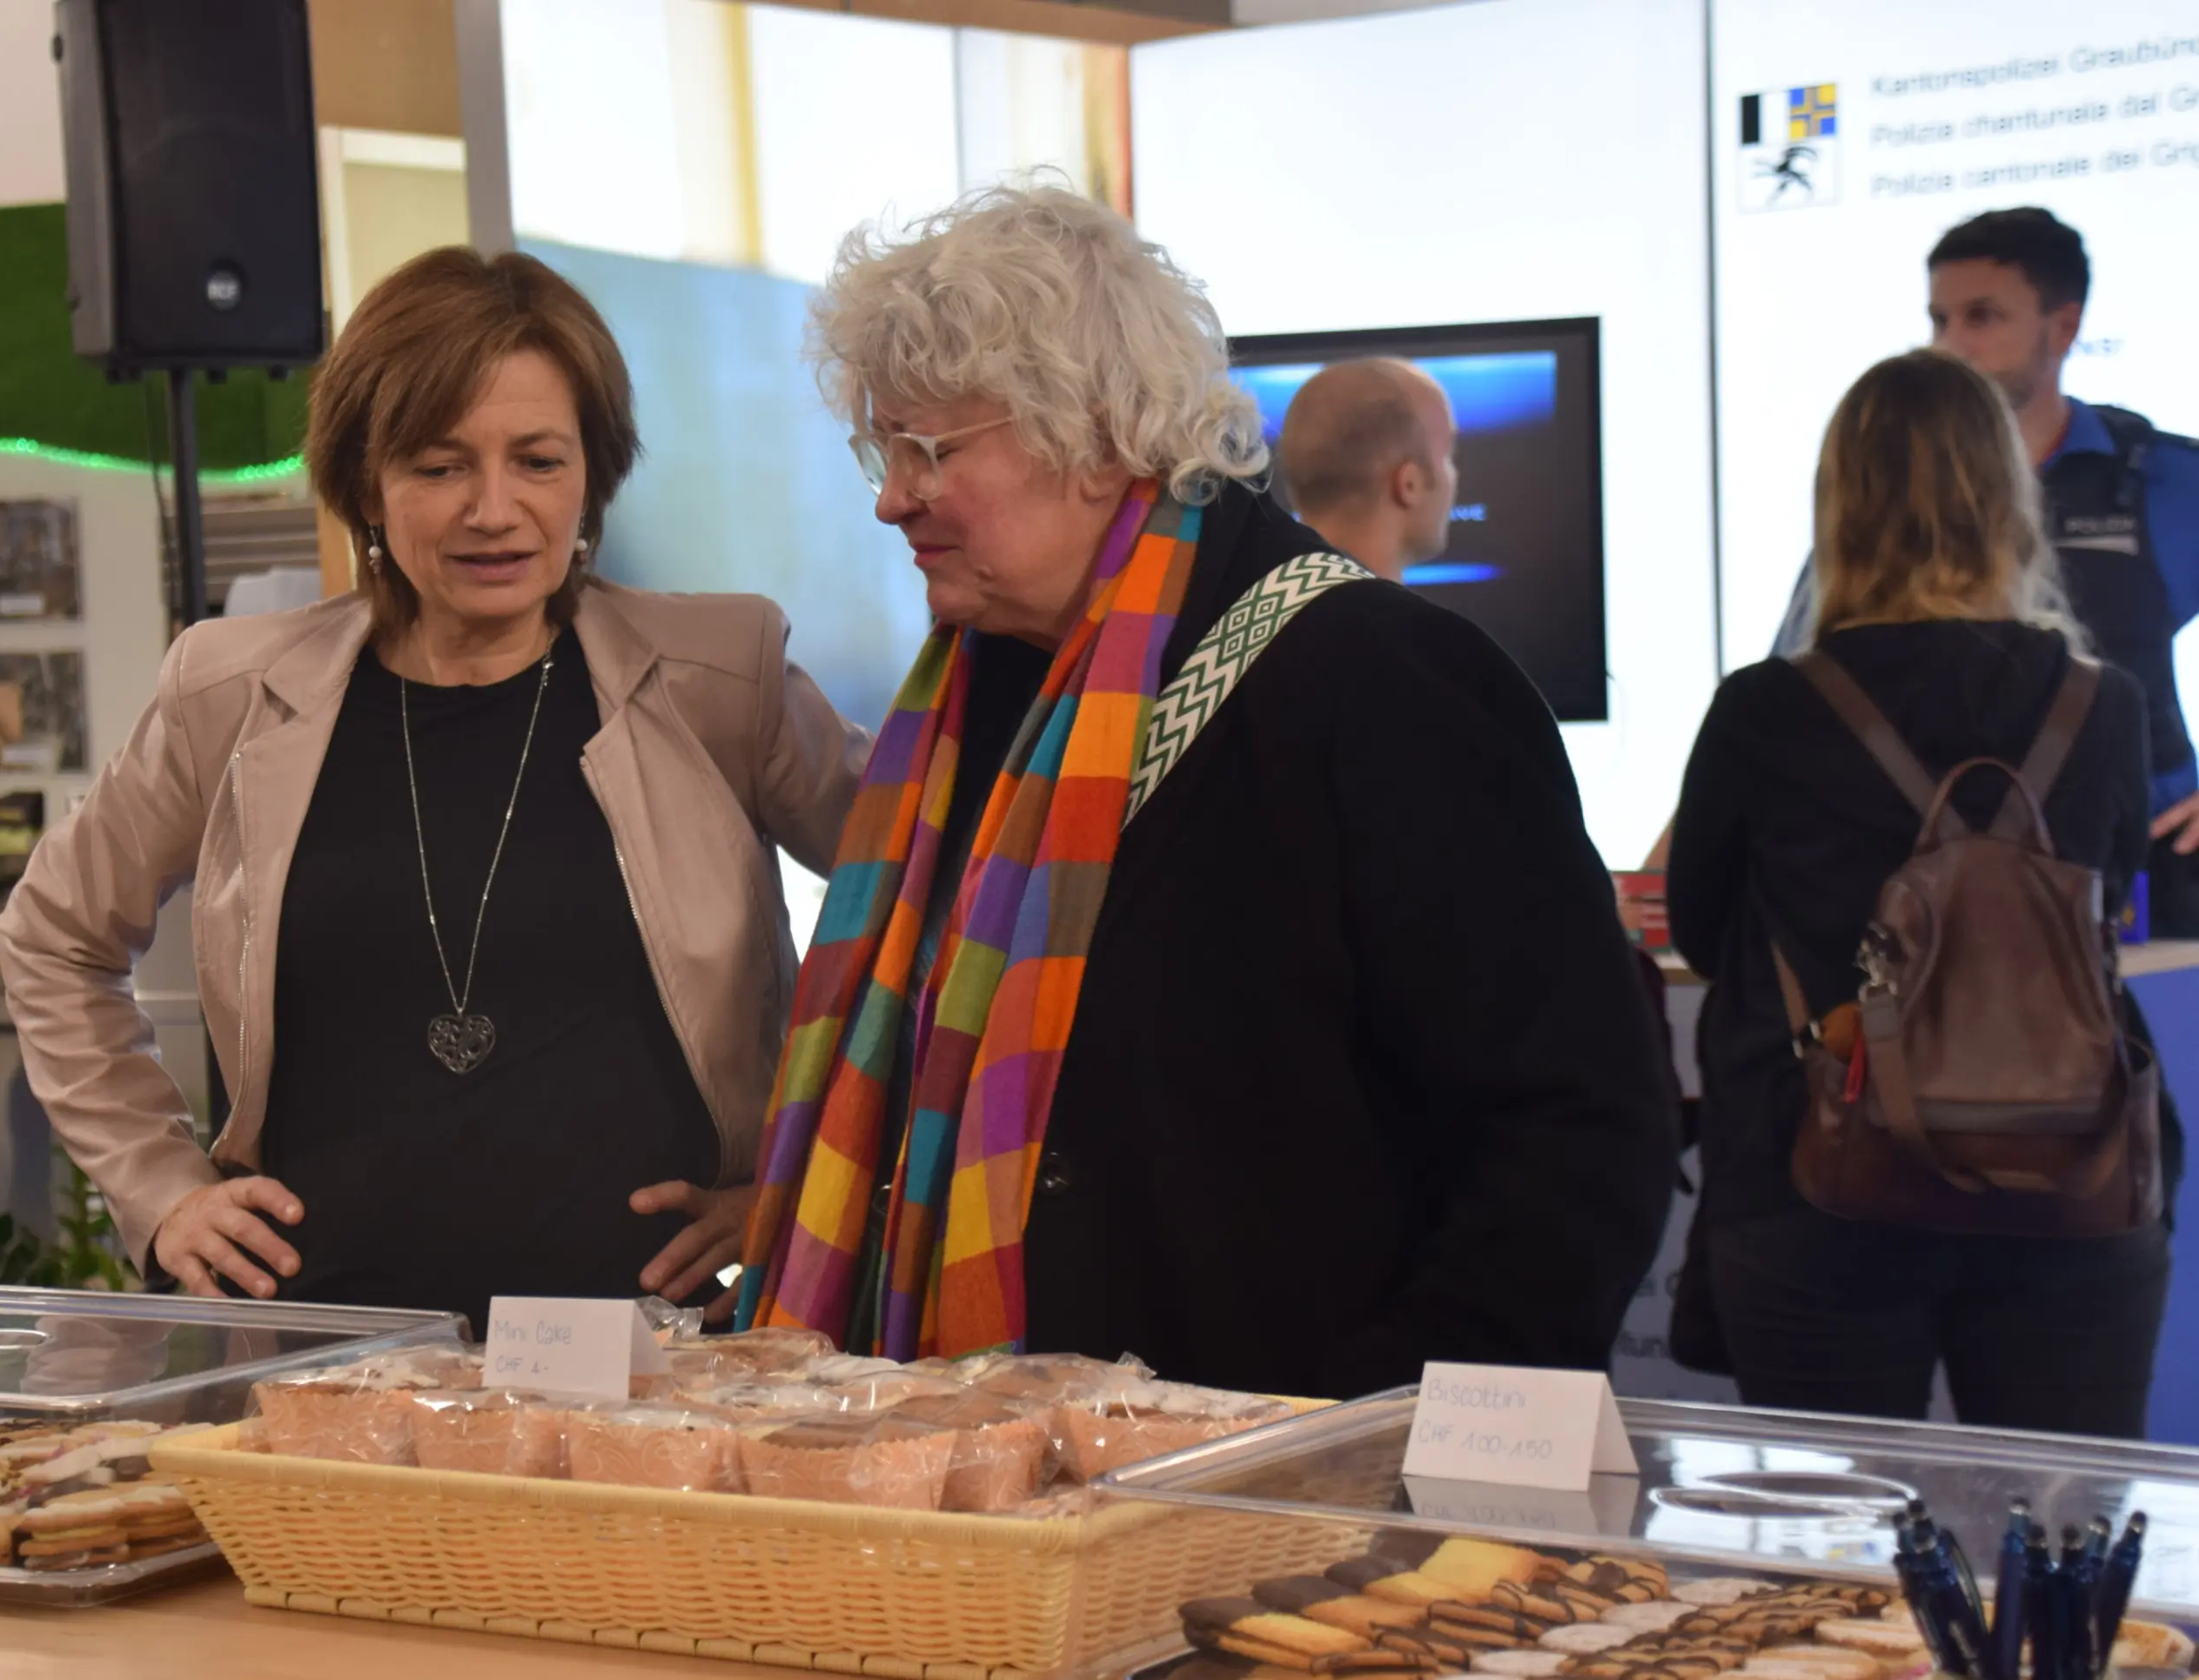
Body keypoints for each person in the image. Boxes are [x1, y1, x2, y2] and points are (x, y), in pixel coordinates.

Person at [733, 186, 1678, 1399]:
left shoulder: (1377, 681)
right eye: (884, 449)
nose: (892, 496)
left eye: (931, 449)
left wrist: (1367, 1434)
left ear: (1097, 428)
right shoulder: (973, 703)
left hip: (1279, 1485)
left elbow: (1576, 1134)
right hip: (1006, 1479)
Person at [0, 247, 869, 1329]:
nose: (492, 510)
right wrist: (160, 1188)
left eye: (538, 461)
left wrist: (805, 1193)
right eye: (439, 464)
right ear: (366, 481)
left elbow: (957, 912)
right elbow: (52, 937)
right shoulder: (230, 692)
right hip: (326, 1352)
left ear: (592, 473)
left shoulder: (717, 675)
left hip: (649, 1360)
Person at [1671, 348, 2168, 1436]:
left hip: (1821, 1170)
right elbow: (2109, 906)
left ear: (1839, 505)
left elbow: (1706, 933)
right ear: (2008, 502)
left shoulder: (1766, 708)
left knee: (1829, 1562)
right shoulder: (2103, 705)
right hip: (2069, 1166)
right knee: (2059, 1547)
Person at [1771, 209, 2199, 933]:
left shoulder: (2156, 478)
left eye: (1982, 317)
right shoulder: (1883, 495)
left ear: (2062, 328)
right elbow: (1791, 680)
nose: (1950, 345)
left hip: (2140, 880)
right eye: (1939, 318)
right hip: (1918, 895)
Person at [1273, 357, 1458, 582]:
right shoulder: (1402, 618)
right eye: (1447, 456)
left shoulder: (1245, 610)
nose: (1454, 475)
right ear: (1409, 485)